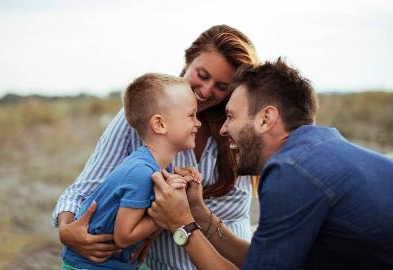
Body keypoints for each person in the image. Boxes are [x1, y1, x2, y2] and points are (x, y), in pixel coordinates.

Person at [148, 59, 393, 270]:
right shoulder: (319, 155)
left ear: (266, 119)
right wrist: (200, 215)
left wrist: (181, 225)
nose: (225, 129)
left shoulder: (291, 171)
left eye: (231, 116)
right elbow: (261, 260)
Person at [52, 24, 261, 269]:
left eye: (221, 87)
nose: (205, 91)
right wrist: (67, 229)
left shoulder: (236, 129)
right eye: (202, 76)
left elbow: (220, 213)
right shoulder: (146, 114)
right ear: (187, 61)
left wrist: (178, 212)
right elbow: (87, 187)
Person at [61, 73, 202, 269]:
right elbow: (124, 237)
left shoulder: (154, 166)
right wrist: (166, 214)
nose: (198, 123)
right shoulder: (140, 173)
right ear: (160, 124)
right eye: (191, 115)